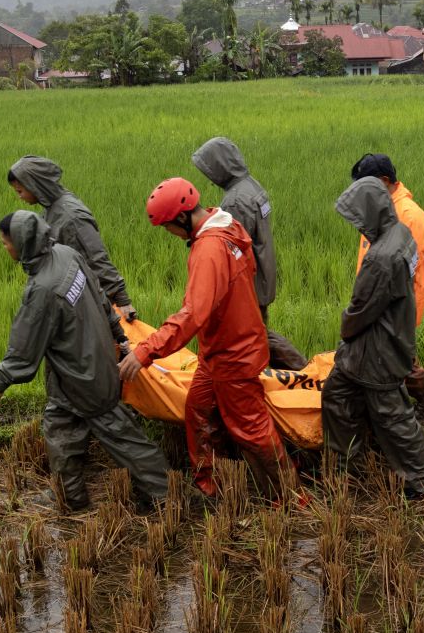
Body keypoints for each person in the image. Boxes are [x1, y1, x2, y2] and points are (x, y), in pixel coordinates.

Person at [118, 178, 294, 499]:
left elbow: (193, 314)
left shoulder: (210, 249)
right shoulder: (228, 227)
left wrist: (145, 351)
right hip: (222, 349)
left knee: (252, 430)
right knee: (198, 409)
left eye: (167, 226)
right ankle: (209, 484)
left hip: (234, 354)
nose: (168, 234)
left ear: (181, 218)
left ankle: (287, 497)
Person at [0, 210, 169, 512]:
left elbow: (24, 345)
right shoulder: (65, 254)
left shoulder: (42, 289)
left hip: (84, 375)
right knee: (60, 429)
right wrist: (117, 333)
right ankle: (70, 498)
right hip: (80, 366)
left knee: (121, 435)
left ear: (21, 243)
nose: (4, 248)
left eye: (5, 243)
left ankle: (164, 493)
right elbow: (99, 293)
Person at [321, 176, 424, 499]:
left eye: (358, 217)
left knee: (393, 417)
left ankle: (421, 480)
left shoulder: (380, 259)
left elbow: (359, 311)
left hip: (377, 351)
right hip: (383, 340)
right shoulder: (400, 233)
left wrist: (345, 327)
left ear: (372, 213)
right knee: (336, 395)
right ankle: (346, 465)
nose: (356, 225)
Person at [191, 136, 307, 370]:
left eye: (210, 169)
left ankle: (303, 369)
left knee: (257, 336)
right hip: (263, 274)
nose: (209, 178)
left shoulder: (235, 201)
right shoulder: (251, 186)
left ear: (221, 166)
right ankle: (286, 374)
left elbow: (233, 251)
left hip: (250, 282)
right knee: (259, 333)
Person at [350, 154, 424, 412]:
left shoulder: (410, 217)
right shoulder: (383, 210)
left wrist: (384, 309)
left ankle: (399, 408)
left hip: (395, 304)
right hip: (376, 301)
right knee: (391, 359)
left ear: (383, 181)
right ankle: (423, 383)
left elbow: (407, 274)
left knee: (382, 361)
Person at [8, 155, 137, 320]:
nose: (19, 196)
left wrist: (122, 300)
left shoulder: (71, 216)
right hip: (74, 296)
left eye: (20, 191)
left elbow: (96, 257)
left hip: (91, 300)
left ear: (35, 185)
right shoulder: (52, 206)